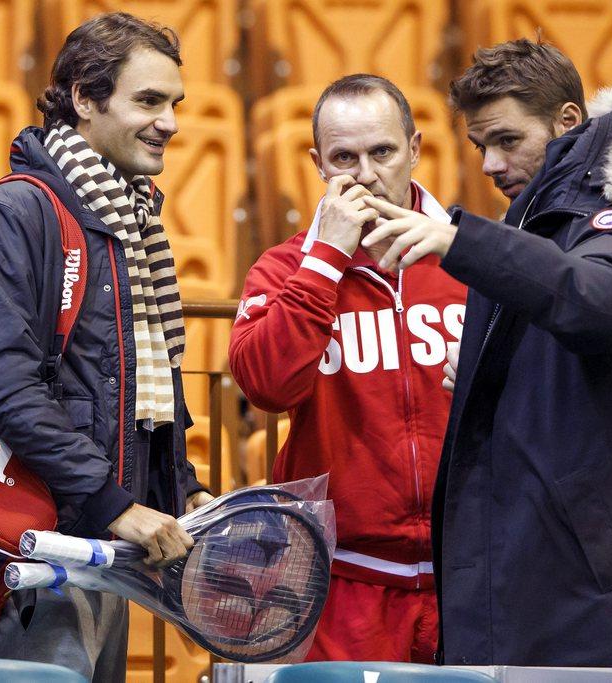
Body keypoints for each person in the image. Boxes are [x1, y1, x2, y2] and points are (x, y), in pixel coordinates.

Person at [361, 40, 612, 667]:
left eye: (508, 140)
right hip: (576, 601)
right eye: (481, 145)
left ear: (568, 122)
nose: (489, 163)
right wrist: (501, 380)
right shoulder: (546, 218)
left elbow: (609, 299)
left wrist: (459, 241)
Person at [0, 13, 211, 681]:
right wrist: (114, 502)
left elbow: (131, 389)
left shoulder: (127, 219)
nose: (170, 123)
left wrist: (181, 491)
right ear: (85, 100)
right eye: (148, 101)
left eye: (174, 103)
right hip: (29, 565)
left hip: (97, 550)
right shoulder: (16, 211)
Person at [228, 74, 466, 663]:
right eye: (343, 158)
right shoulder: (284, 268)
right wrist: (326, 260)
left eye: (382, 152)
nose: (364, 174)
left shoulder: (473, 258)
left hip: (468, 573)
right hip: (341, 583)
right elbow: (263, 384)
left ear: (414, 149)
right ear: (317, 163)